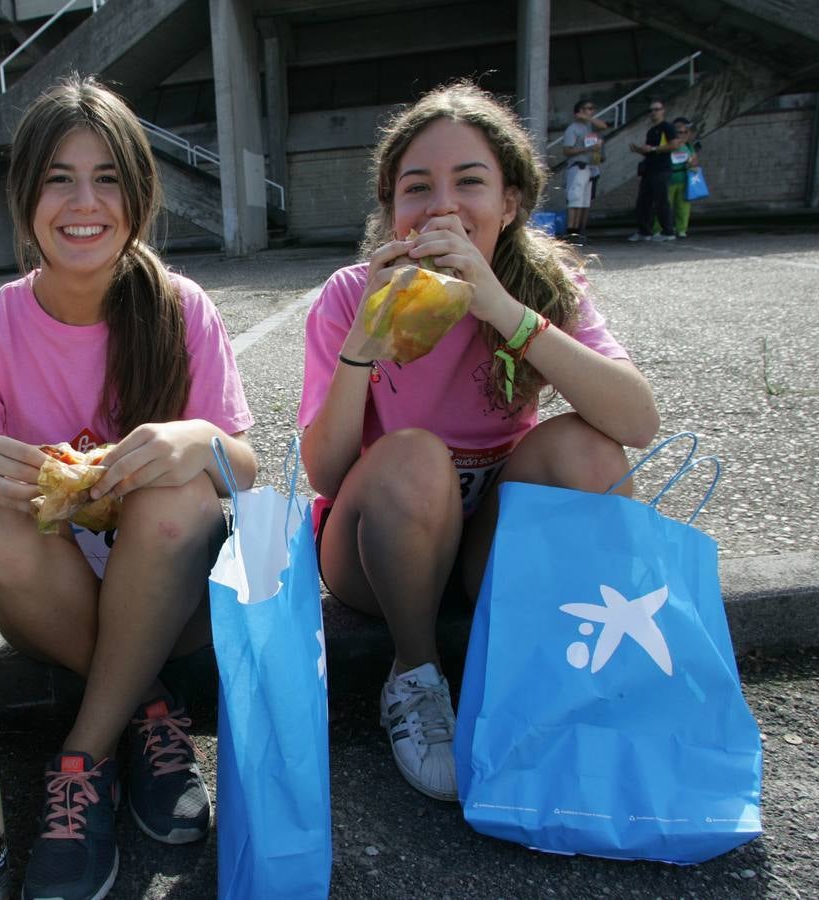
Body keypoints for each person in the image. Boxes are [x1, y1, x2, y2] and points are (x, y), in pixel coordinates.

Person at [0, 75, 255, 900]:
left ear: (139, 193)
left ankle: (82, 756)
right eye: (59, 178)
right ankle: (149, 712)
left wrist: (198, 439)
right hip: (56, 607)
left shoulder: (182, 308)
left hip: (172, 599)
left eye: (108, 176)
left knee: (179, 493)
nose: (85, 202)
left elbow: (244, 471)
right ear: (26, 196)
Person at [297, 80, 659, 803]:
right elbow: (329, 473)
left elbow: (637, 422)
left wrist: (500, 307)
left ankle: (547, 668)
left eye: (470, 182)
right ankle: (415, 676)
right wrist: (363, 347)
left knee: (589, 449)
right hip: (376, 543)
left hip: (485, 542)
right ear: (392, 208)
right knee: (415, 452)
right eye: (417, 187)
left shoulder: (543, 284)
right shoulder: (350, 295)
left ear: (510, 202)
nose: (442, 206)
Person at [629, 97, 683, 241]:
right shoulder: (652, 130)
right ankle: (645, 231)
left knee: (662, 201)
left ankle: (668, 231)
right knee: (643, 201)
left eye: (657, 109)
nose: (653, 112)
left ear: (663, 111)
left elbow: (675, 144)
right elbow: (650, 151)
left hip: (662, 169)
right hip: (650, 169)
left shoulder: (667, 127)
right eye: (651, 110)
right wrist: (640, 150)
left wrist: (653, 148)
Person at [562, 98, 609, 238]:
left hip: (591, 168)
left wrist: (589, 118)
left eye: (592, 108)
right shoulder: (572, 128)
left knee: (585, 201)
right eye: (587, 108)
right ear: (580, 111)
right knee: (575, 199)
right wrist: (587, 149)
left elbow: (603, 126)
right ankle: (572, 230)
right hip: (578, 167)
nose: (591, 111)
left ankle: (580, 230)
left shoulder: (589, 126)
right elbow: (567, 151)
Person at [657, 117, 701, 239]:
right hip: (670, 178)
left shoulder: (688, 146)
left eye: (686, 132)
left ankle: (681, 229)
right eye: (680, 132)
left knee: (683, 205)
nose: (684, 135)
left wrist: (693, 163)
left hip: (683, 178)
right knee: (665, 204)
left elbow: (694, 160)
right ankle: (659, 228)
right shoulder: (668, 144)